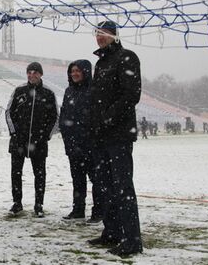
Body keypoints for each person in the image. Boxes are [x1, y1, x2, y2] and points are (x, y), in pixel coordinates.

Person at [87, 21, 143, 257]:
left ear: (114, 35)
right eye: (97, 34)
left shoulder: (127, 57)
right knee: (105, 186)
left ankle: (132, 239)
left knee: (122, 186)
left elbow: (132, 94)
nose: (100, 38)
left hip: (118, 134)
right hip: (100, 135)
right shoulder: (100, 63)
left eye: (104, 34)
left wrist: (108, 118)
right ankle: (112, 231)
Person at [5, 61, 58, 218]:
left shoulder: (48, 93)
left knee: (40, 174)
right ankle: (17, 203)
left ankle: (38, 204)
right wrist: (14, 133)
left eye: (35, 72)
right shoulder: (19, 90)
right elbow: (9, 112)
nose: (32, 75)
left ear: (41, 74)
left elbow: (55, 117)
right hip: (18, 141)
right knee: (16, 173)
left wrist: (46, 136)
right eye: (29, 72)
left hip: (39, 142)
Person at [58, 60, 104, 223]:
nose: (75, 74)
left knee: (96, 180)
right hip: (72, 144)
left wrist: (90, 136)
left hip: (90, 145)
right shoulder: (68, 91)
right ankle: (78, 210)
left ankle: (98, 211)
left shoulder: (94, 90)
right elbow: (63, 115)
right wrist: (66, 134)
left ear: (85, 72)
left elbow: (97, 116)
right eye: (72, 71)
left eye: (78, 71)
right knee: (77, 179)